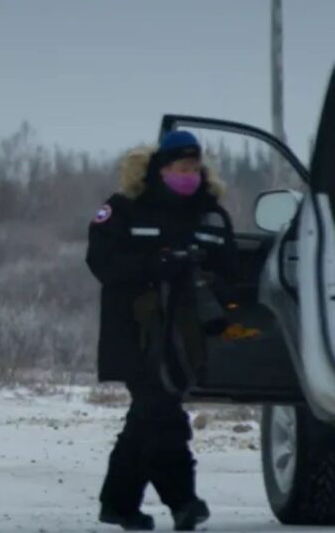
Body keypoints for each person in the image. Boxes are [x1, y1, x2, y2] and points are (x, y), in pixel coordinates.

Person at [86, 130, 249, 532]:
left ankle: (120, 503)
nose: (189, 175)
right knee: (162, 415)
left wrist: (205, 278)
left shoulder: (210, 215)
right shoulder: (125, 208)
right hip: (137, 333)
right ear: (161, 170)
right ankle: (184, 503)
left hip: (185, 338)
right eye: (181, 168)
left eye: (195, 168)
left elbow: (233, 272)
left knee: (149, 418)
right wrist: (154, 266)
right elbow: (101, 262)